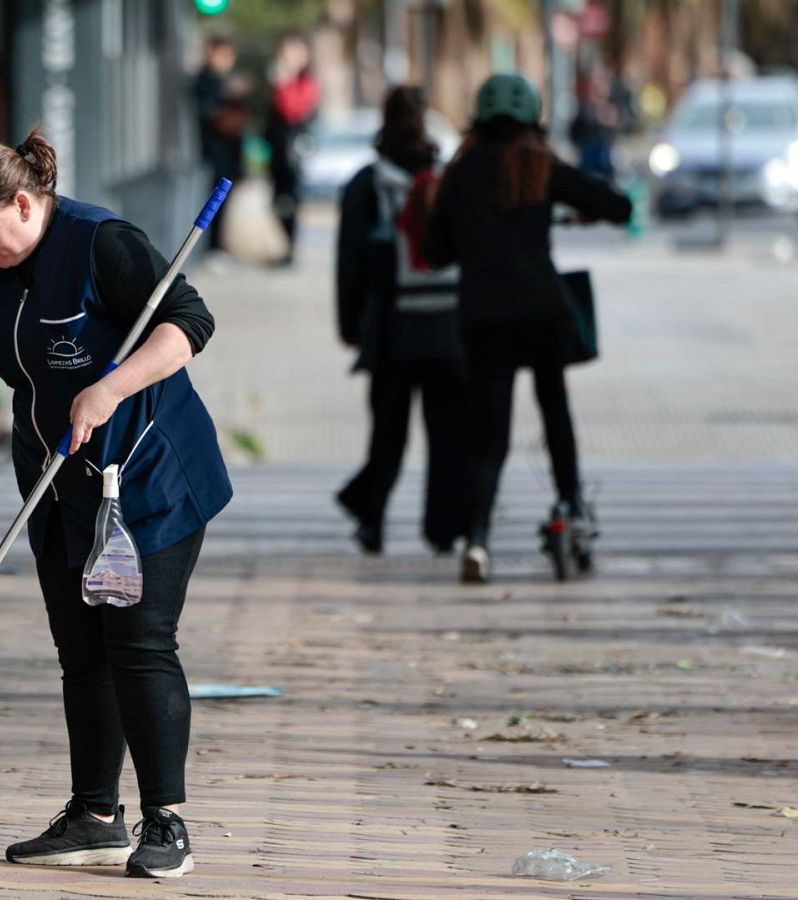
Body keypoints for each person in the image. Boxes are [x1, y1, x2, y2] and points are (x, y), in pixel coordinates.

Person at [0, 126, 232, 878]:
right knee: (81, 652)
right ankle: (95, 813)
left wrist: (110, 385)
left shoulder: (102, 243)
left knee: (138, 642)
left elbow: (189, 323)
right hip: (57, 483)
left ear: (24, 205)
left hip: (146, 478)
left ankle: (167, 822)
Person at [423, 73, 632, 584]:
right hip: (544, 314)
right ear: (531, 119)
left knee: (489, 436)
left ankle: (477, 539)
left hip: (484, 318)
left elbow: (435, 251)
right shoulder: (540, 164)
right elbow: (619, 206)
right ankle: (571, 509)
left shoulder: (462, 170)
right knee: (555, 415)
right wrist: (570, 214)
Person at [334, 86, 467, 555]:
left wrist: (351, 326)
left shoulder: (366, 185)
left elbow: (349, 263)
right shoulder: (446, 177)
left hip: (391, 329)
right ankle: (444, 529)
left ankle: (371, 519)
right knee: (447, 433)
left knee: (388, 432)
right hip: (448, 325)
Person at [264, 32, 319, 265]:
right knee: (277, 200)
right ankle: (286, 246)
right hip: (278, 151)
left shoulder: (305, 83)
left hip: (295, 153)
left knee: (290, 200)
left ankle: (291, 249)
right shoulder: (276, 80)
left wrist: (284, 84)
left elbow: (293, 110)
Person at [193, 35, 247, 256]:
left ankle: (218, 246)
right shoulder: (204, 81)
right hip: (211, 153)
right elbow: (209, 113)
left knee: (224, 204)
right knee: (210, 202)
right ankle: (210, 248)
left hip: (230, 153)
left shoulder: (231, 82)